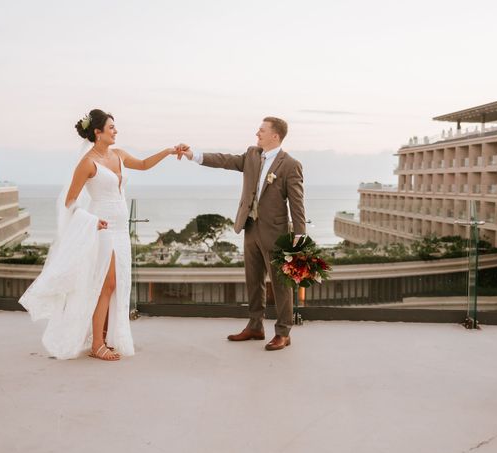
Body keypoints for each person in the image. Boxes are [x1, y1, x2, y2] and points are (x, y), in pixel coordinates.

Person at [20, 109, 179, 361]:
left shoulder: (118, 155)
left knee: (117, 285)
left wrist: (169, 151)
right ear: (97, 132)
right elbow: (70, 201)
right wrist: (91, 221)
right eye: (111, 127)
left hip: (121, 229)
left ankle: (105, 338)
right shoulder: (87, 163)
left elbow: (144, 164)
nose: (116, 131)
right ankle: (97, 344)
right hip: (101, 228)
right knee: (107, 284)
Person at [176, 117, 305, 351]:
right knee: (253, 281)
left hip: (276, 233)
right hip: (250, 228)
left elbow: (297, 202)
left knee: (280, 285)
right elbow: (225, 160)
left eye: (262, 130)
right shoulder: (252, 155)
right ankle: (255, 326)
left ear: (275, 136)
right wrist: (193, 155)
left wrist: (299, 234)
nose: (257, 133)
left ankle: (283, 332)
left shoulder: (290, 165)